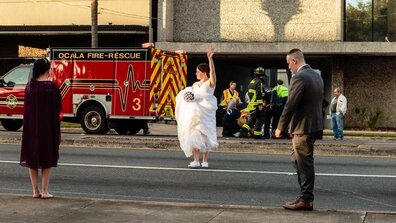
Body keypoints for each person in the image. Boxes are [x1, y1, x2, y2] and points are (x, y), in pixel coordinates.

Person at [275, 48, 324, 211]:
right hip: (313, 125)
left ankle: (306, 199)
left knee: (304, 163)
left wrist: (280, 126)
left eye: (289, 63)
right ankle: (304, 196)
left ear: (295, 61)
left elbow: (290, 104)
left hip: (303, 127)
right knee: (298, 160)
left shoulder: (299, 77)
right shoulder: (316, 76)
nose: (289, 67)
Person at [20, 58, 62, 199]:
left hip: (32, 128)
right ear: (47, 70)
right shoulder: (52, 88)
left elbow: (26, 108)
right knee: (47, 157)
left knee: (32, 157)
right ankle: (45, 191)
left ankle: (35, 190)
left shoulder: (29, 87)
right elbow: (58, 110)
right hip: (48, 128)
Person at [175, 48, 218, 168]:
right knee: (194, 135)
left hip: (206, 113)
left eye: (198, 71)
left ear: (204, 72)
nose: (196, 73)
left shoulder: (210, 82)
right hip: (195, 113)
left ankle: (205, 161)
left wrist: (210, 59)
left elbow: (213, 73)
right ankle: (195, 160)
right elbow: (191, 97)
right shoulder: (194, 85)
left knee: (206, 135)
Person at [239, 67, 267, 139]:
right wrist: (260, 104)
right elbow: (259, 93)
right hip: (257, 104)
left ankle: (243, 131)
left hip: (251, 104)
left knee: (252, 120)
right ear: (261, 75)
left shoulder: (252, 81)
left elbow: (250, 93)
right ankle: (257, 134)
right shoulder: (259, 82)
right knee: (261, 118)